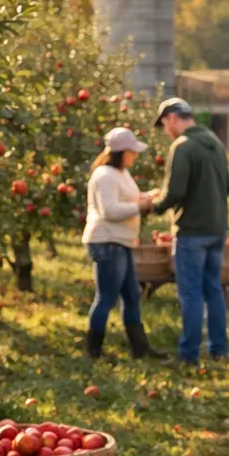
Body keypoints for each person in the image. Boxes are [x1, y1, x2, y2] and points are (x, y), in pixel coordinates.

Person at [139, 97, 229, 365]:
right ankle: (219, 349)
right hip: (217, 228)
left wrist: (154, 206)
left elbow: (175, 191)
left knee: (190, 293)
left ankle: (188, 354)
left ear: (172, 118)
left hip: (191, 230)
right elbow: (226, 186)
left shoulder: (183, 146)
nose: (166, 131)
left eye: (164, 125)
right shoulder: (215, 142)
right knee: (213, 289)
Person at [83, 126, 165, 360]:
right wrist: (140, 206)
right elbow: (109, 210)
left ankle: (140, 348)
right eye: (132, 151)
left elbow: (127, 199)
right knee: (106, 297)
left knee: (132, 295)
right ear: (121, 152)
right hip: (107, 242)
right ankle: (93, 351)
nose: (135, 156)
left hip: (123, 241)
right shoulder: (105, 175)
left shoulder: (121, 173)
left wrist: (147, 196)